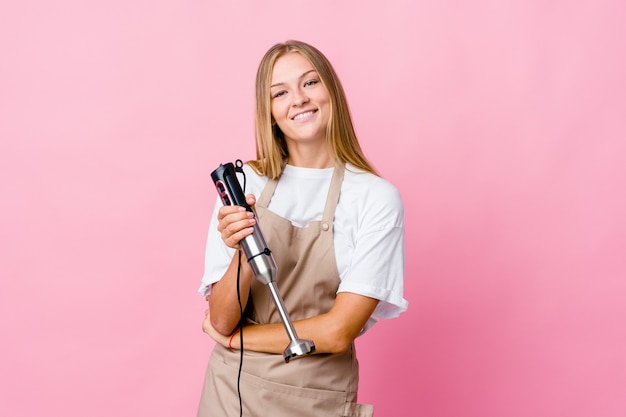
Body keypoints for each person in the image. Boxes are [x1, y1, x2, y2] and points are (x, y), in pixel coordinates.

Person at [197, 40, 408, 417]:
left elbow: (338, 331)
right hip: (232, 395)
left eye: (310, 83)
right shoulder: (246, 187)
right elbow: (221, 318)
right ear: (270, 112)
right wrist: (246, 249)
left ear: (331, 91)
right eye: (280, 92)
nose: (298, 99)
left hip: (316, 398)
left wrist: (236, 340)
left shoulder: (376, 198)